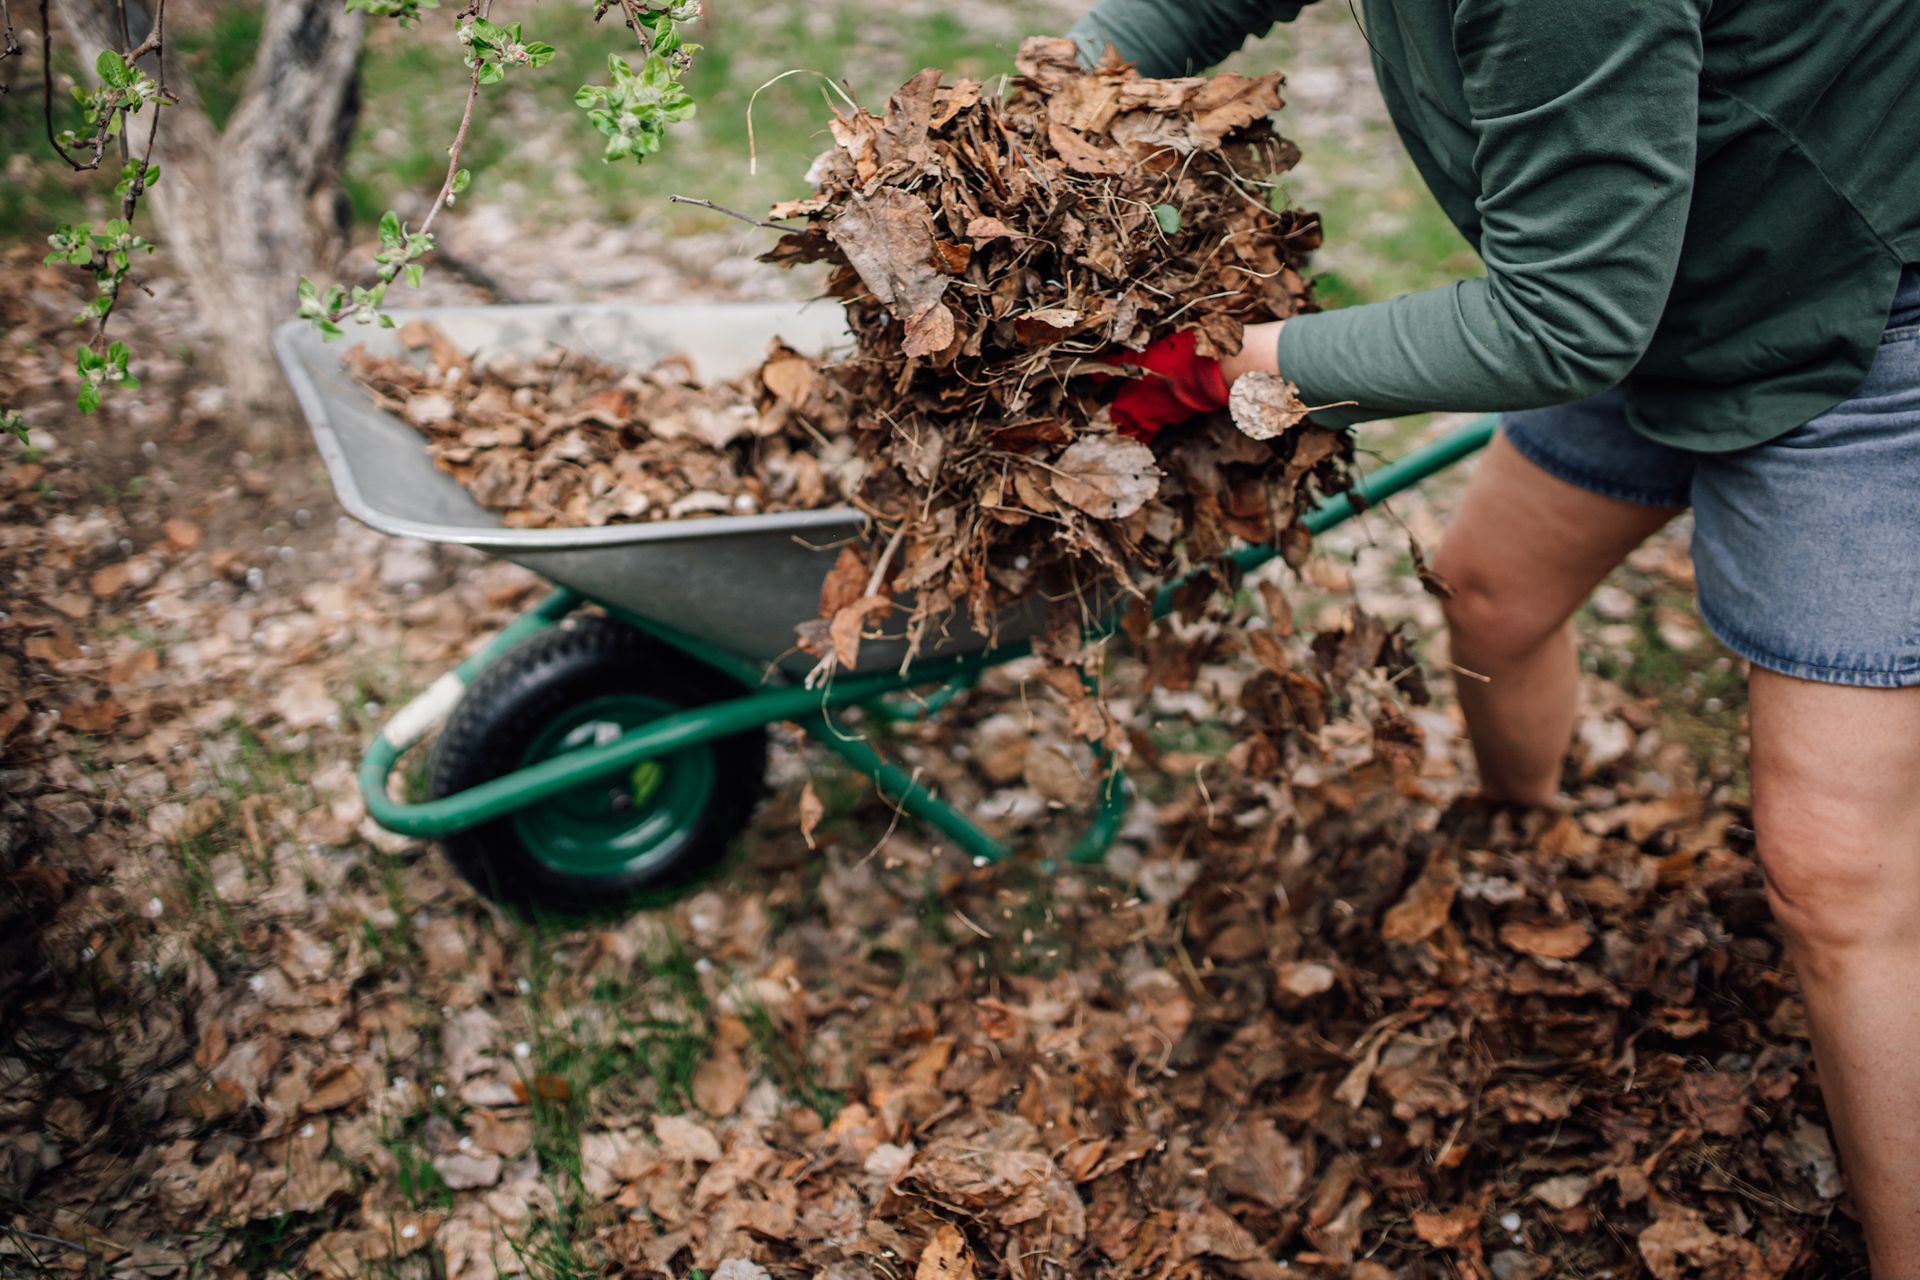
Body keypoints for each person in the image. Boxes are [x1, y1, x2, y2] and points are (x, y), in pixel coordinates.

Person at [1083, 0, 1920, 1272]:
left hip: (1861, 294)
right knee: (1488, 590)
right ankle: (1528, 854)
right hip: (1662, 247)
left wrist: (1209, 369)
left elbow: (1566, 324)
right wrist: (1047, 95)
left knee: (1836, 873)